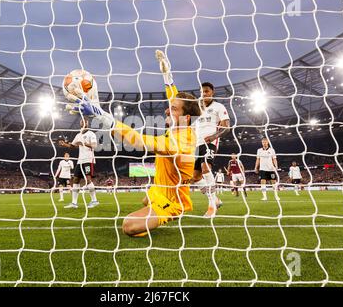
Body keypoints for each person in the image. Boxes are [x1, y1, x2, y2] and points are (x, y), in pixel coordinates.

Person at [64, 81, 201, 237]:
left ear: (186, 117)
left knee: (129, 226)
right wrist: (167, 77)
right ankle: (155, 206)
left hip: (173, 199)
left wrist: (100, 115)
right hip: (159, 189)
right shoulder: (180, 129)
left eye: (173, 109)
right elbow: (174, 98)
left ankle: (170, 211)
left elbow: (137, 140)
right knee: (145, 201)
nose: (167, 111)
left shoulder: (180, 142)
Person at [156, 50, 230, 218]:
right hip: (193, 144)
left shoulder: (218, 107)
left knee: (205, 167)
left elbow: (226, 127)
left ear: (212, 93)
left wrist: (213, 137)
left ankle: (212, 207)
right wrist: (166, 76)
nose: (204, 94)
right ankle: (215, 199)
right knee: (195, 178)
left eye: (207, 92)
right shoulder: (195, 106)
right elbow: (175, 100)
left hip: (209, 142)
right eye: (202, 91)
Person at [58, 118, 99, 209]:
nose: (83, 122)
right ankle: (74, 203)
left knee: (88, 180)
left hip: (88, 160)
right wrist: (64, 144)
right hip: (80, 160)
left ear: (88, 123)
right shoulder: (78, 135)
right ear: (80, 123)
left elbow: (94, 146)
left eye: (85, 121)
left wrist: (83, 143)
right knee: (75, 180)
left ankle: (94, 200)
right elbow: (72, 146)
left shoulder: (91, 134)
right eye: (82, 121)